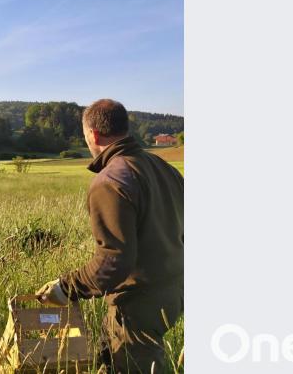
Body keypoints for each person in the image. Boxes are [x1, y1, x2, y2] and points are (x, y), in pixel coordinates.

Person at [36, 99, 184, 373]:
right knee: (107, 357)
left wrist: (66, 288)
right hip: (173, 293)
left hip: (138, 303)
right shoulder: (166, 170)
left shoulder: (111, 181)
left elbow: (113, 261)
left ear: (92, 134)